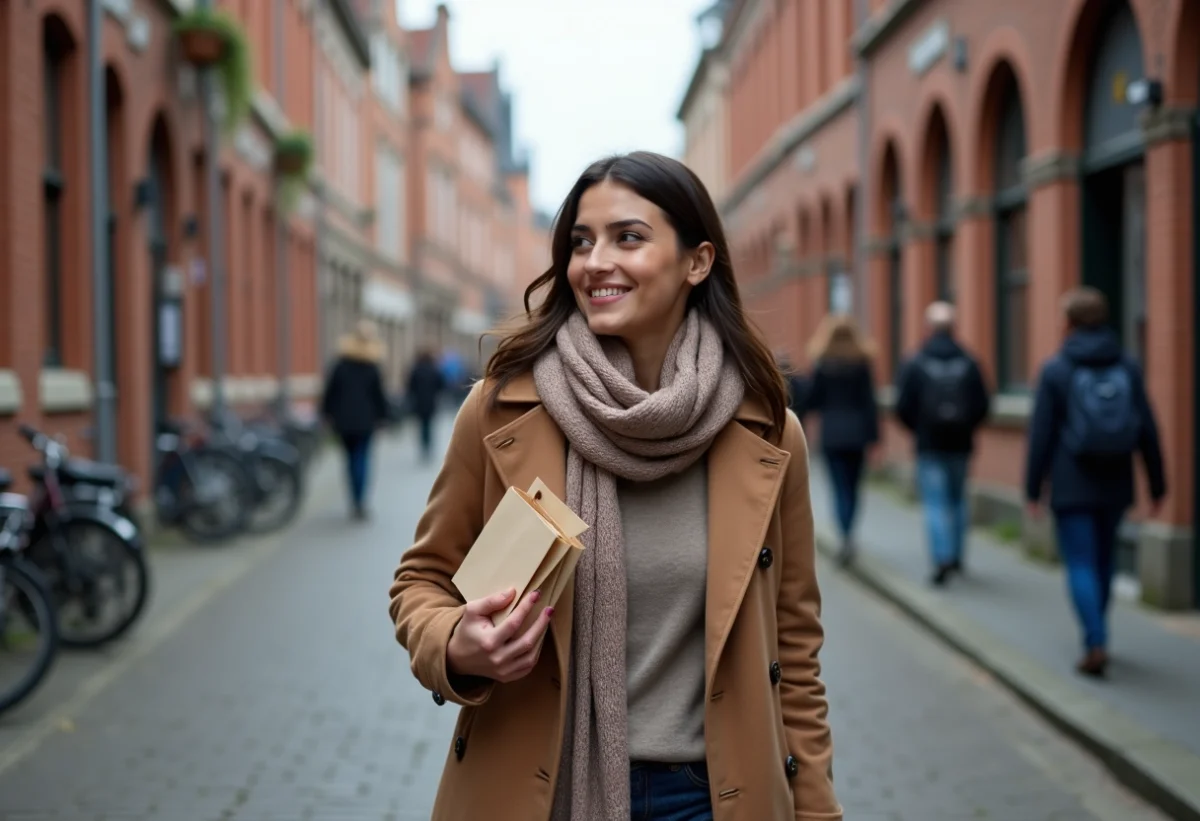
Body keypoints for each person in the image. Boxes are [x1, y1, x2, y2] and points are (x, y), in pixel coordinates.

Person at [389, 152, 841, 821]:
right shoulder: (503, 409)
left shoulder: (769, 434)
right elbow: (420, 582)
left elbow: (795, 651)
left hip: (714, 795)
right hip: (542, 792)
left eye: (628, 237)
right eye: (580, 241)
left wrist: (816, 808)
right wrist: (455, 641)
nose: (594, 261)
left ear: (697, 261)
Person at [1024, 287, 1165, 678]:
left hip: (1072, 483)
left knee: (1081, 563)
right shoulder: (1127, 366)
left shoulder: (1056, 369)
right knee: (1104, 561)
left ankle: (1095, 639)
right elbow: (1148, 429)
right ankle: (1099, 632)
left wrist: (1033, 489)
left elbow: (1041, 436)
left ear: (1068, 322)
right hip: (1116, 480)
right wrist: (1158, 485)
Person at [894, 302, 990, 586]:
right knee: (958, 500)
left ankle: (942, 558)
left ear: (928, 328)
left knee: (935, 503)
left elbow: (903, 406)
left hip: (929, 443)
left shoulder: (915, 362)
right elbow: (983, 404)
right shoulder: (970, 361)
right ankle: (958, 557)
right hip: (960, 443)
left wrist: (919, 429)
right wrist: (967, 426)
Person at [798, 314, 879, 566]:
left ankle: (844, 534)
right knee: (853, 487)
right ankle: (849, 532)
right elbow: (869, 403)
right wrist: (874, 435)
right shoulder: (862, 364)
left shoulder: (823, 364)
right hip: (857, 434)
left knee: (838, 486)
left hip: (832, 434)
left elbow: (813, 400)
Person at [320, 319, 390, 520]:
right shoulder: (372, 366)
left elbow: (330, 392)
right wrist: (383, 418)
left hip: (343, 421)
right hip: (366, 421)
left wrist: (326, 414)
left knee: (350, 459)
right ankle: (360, 500)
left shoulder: (341, 364)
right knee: (363, 458)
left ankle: (354, 497)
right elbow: (379, 396)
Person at [406, 349, 445, 463]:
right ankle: (428, 446)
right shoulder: (434, 370)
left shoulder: (416, 370)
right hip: (431, 402)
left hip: (418, 402)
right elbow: (441, 385)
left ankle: (423, 446)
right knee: (429, 425)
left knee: (421, 425)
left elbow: (410, 386)